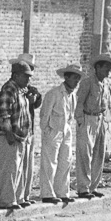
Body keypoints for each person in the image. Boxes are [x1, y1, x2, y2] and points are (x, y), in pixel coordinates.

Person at [40, 63, 84, 204]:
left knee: (65, 161)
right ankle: (47, 193)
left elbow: (70, 116)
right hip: (53, 130)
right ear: (66, 77)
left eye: (78, 78)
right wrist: (47, 131)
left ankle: (62, 192)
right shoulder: (54, 94)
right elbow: (44, 115)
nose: (76, 81)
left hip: (66, 130)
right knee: (50, 162)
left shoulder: (72, 96)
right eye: (74, 78)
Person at [0, 61, 33, 210]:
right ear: (16, 75)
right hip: (8, 135)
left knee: (18, 168)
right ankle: (6, 200)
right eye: (25, 76)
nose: (28, 79)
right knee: (9, 168)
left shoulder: (21, 90)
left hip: (19, 136)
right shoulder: (9, 89)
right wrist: (9, 132)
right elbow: (4, 114)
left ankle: (17, 197)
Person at [76, 53, 111, 194]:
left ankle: (93, 187)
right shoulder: (87, 83)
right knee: (84, 154)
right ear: (97, 67)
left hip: (99, 120)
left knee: (98, 154)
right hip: (87, 119)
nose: (107, 72)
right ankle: (83, 188)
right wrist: (81, 121)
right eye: (105, 68)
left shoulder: (104, 85)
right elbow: (80, 102)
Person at [9, 53, 42, 207]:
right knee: (18, 166)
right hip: (19, 130)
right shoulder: (13, 89)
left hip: (28, 129)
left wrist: (34, 100)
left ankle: (24, 195)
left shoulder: (28, 88)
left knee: (27, 165)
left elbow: (35, 104)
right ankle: (16, 196)